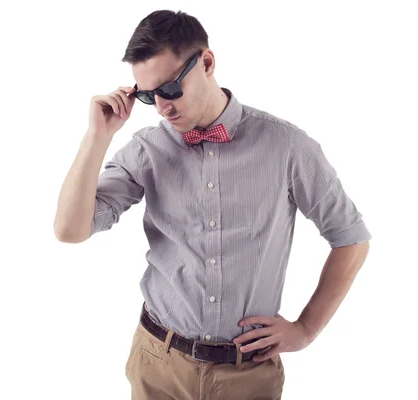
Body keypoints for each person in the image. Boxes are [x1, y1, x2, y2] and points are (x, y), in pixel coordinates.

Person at [53, 9, 372, 400]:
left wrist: (306, 329)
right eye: (149, 96)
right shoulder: (147, 150)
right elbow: (70, 230)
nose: (163, 108)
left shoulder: (287, 147)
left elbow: (351, 237)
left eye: (170, 89)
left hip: (248, 374)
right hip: (158, 364)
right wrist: (96, 137)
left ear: (206, 62)